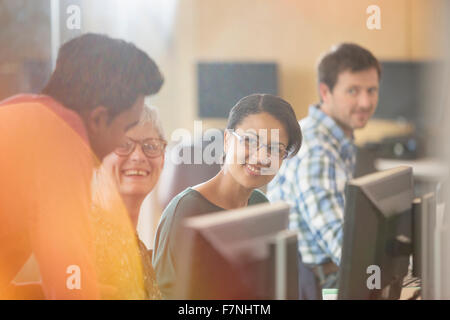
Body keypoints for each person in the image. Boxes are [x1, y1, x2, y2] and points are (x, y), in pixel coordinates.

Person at [0, 33, 163, 299]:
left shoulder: (20, 111)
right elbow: (70, 283)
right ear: (98, 119)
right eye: (127, 128)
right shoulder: (61, 142)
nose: (128, 146)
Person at [153, 93, 303, 299]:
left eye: (274, 149)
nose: (261, 157)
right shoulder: (186, 211)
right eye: (250, 141)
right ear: (226, 140)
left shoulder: (261, 206)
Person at [267, 43, 381, 292]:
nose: (365, 102)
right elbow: (344, 247)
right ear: (325, 92)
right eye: (353, 91)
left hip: (322, 275)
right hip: (315, 285)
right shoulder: (316, 149)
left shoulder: (332, 137)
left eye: (371, 90)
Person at [94, 104, 166, 299]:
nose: (138, 156)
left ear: (163, 158)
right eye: (123, 144)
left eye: (150, 146)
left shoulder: (138, 250)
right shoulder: (81, 236)